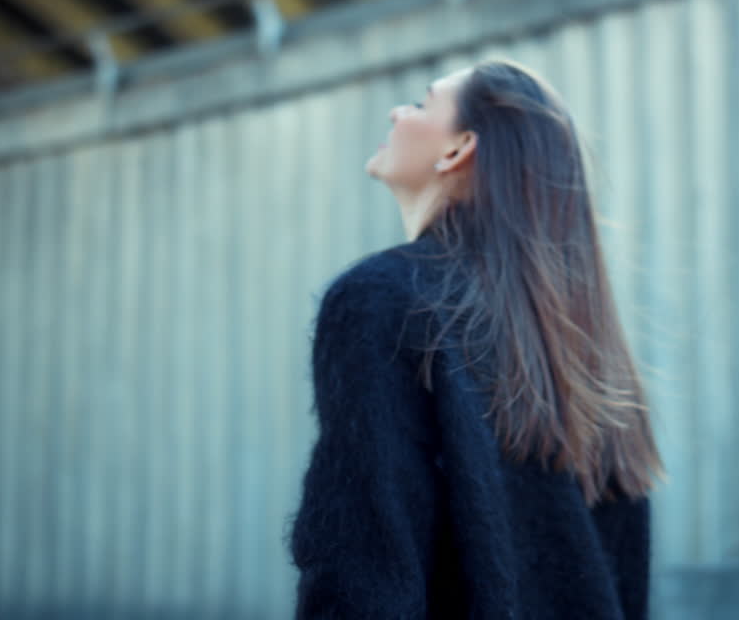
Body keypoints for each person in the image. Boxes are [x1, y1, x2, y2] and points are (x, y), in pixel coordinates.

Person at [284, 58, 665, 618]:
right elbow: (625, 582)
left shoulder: (381, 299)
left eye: (421, 102)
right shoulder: (590, 354)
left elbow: (362, 556)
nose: (397, 111)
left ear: (458, 148)